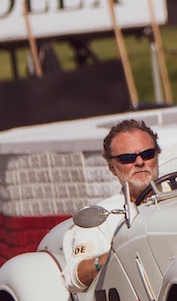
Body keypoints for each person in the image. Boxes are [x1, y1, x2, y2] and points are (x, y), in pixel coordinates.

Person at [62, 119, 161, 292]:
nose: (139, 162)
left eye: (147, 154)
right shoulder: (100, 215)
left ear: (157, 156)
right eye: (127, 158)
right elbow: (71, 277)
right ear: (112, 168)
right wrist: (111, 257)